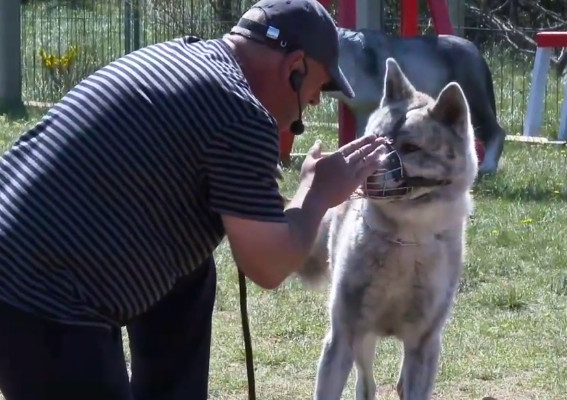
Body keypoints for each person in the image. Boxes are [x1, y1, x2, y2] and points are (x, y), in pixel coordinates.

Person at [0, 0, 387, 399]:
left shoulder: (182, 55)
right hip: (41, 298)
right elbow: (268, 265)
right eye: (318, 88)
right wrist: (318, 190)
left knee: (192, 270)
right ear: (294, 68)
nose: (314, 104)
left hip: (21, 256)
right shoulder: (240, 111)